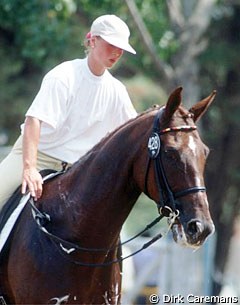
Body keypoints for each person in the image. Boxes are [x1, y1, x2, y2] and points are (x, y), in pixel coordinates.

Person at [0, 14, 137, 212]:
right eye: (111, 45)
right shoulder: (63, 76)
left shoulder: (118, 92)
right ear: (92, 41)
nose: (116, 52)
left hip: (78, 171)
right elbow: (34, 121)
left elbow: (131, 134)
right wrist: (29, 168)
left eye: (121, 49)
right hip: (38, 157)